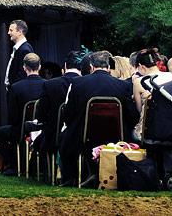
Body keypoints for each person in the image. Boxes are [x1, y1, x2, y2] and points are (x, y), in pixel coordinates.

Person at [59, 50, 139, 187]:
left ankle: (71, 177)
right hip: (116, 135)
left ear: (91, 67)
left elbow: (69, 114)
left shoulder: (78, 84)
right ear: (108, 67)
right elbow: (131, 114)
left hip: (84, 135)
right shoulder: (123, 85)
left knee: (63, 139)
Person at [32, 50, 84, 176]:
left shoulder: (51, 85)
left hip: (54, 134)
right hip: (81, 133)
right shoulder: (86, 84)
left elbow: (41, 114)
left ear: (65, 66)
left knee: (39, 143)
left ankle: (46, 173)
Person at [0, 52, 44, 176]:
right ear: (39, 67)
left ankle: (14, 164)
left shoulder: (16, 87)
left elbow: (12, 116)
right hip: (41, 128)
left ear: (24, 67)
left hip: (21, 129)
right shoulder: (47, 85)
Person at [5, 20, 34, 93]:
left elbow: (23, 74)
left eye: (11, 30)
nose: (8, 33)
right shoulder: (21, 48)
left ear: (20, 32)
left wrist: (13, 89)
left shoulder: (25, 50)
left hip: (18, 91)